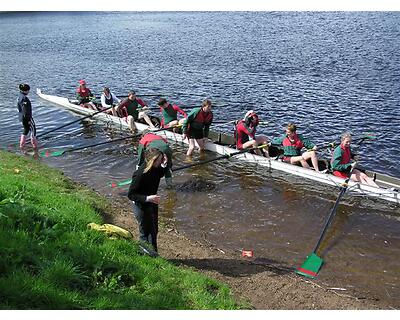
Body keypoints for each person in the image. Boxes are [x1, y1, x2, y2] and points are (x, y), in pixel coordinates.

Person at [127, 148, 170, 256]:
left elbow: (158, 175)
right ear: (153, 161)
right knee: (145, 232)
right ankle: (144, 254)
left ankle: (153, 254)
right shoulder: (140, 174)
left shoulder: (155, 168)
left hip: (152, 203)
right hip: (141, 206)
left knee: (154, 230)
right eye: (160, 160)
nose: (161, 161)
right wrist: (147, 198)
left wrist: (164, 166)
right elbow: (131, 195)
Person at [17, 83, 38, 151]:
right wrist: (28, 119)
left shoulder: (19, 96)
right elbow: (25, 110)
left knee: (26, 130)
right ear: (24, 91)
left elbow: (19, 108)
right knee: (33, 131)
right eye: (28, 90)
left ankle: (21, 146)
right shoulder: (24, 98)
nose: (28, 92)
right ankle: (35, 147)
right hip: (27, 118)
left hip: (22, 117)